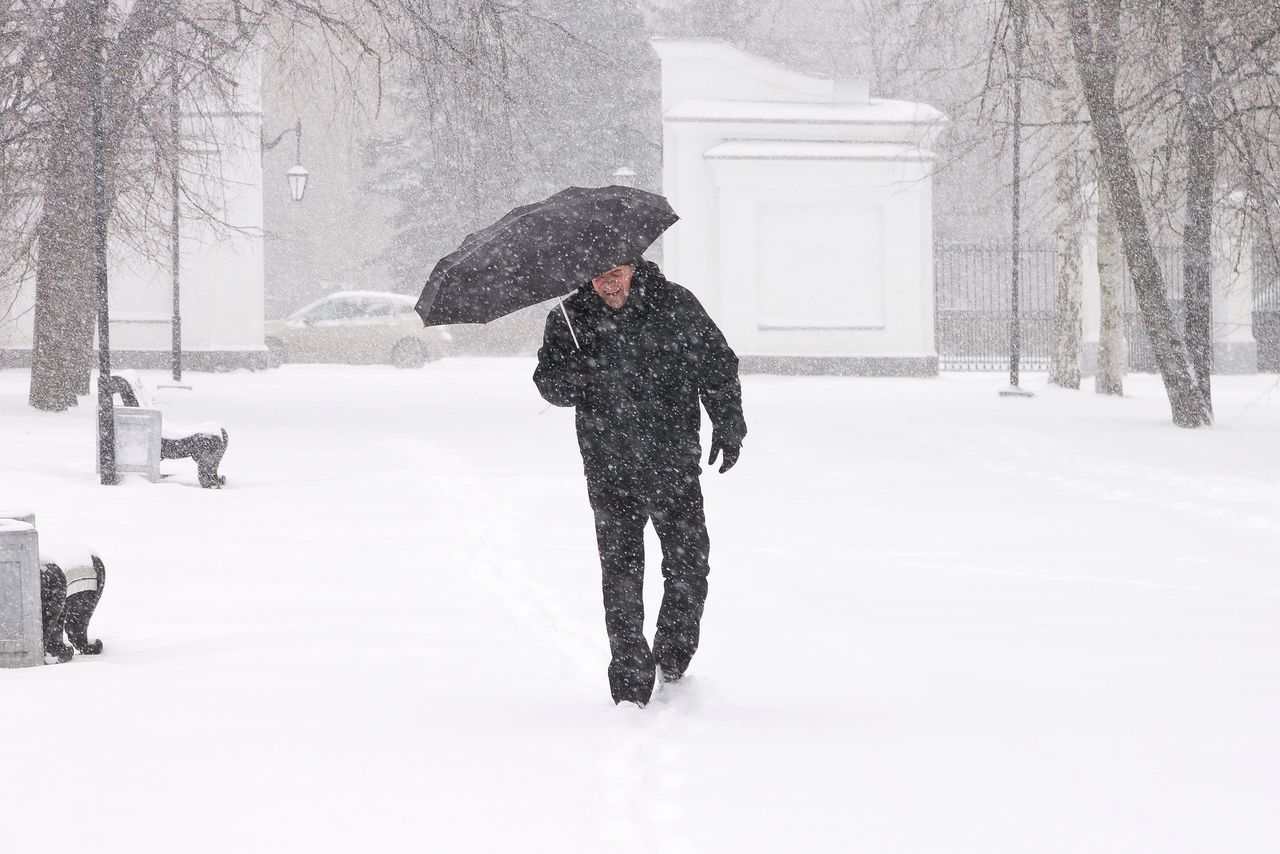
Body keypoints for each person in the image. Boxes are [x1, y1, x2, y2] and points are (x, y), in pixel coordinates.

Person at [533, 259, 746, 706]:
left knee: (689, 565)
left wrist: (728, 422)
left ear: (633, 267)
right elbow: (550, 385)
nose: (608, 283)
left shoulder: (675, 305)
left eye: (615, 271)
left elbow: (717, 363)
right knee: (621, 574)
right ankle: (630, 679)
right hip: (608, 464)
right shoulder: (569, 318)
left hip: (672, 461)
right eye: (596, 274)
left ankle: (672, 655)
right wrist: (574, 376)